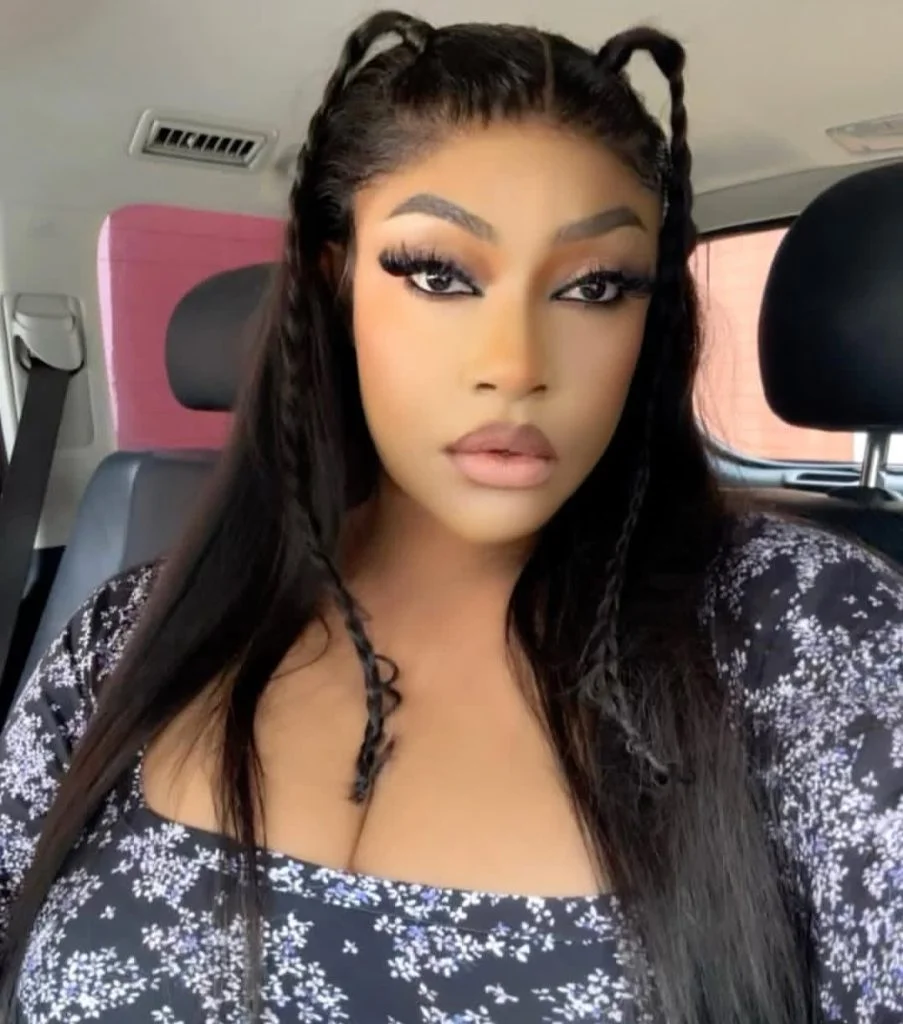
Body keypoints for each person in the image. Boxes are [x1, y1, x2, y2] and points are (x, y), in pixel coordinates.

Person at [0, 9, 900, 1023]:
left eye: (596, 286)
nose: (514, 366)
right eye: (437, 274)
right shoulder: (129, 637)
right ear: (336, 286)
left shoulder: (809, 638)